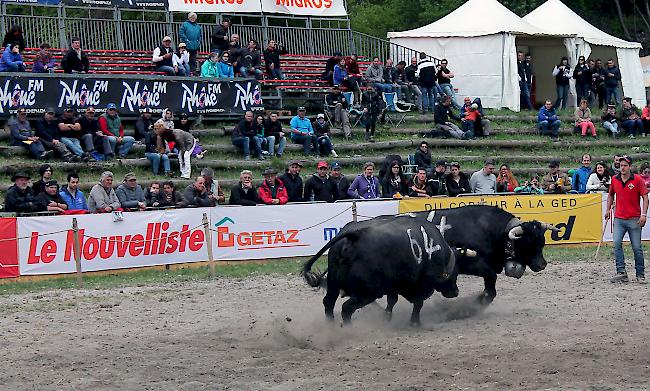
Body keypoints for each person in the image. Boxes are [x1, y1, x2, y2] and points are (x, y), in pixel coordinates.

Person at [606, 155, 648, 284]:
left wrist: (644, 214)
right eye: (621, 165)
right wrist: (608, 209)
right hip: (619, 218)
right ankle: (621, 272)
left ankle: (640, 274)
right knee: (617, 244)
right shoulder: (614, 179)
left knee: (637, 247)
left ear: (630, 167)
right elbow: (610, 195)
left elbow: (645, 197)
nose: (622, 168)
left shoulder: (638, 180)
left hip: (634, 219)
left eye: (625, 165)